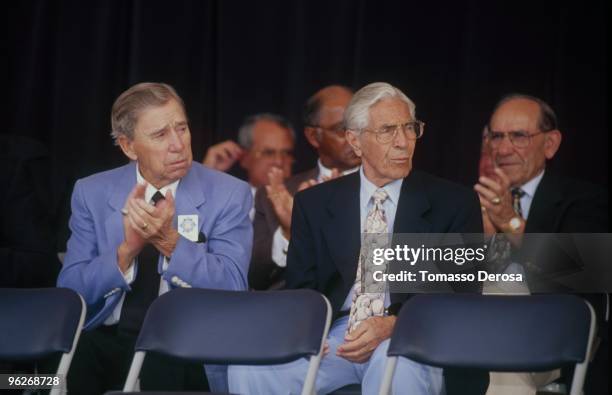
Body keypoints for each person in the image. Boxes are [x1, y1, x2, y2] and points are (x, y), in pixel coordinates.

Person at [228, 82, 485, 394]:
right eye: (388, 130)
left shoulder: (453, 203)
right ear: (355, 140)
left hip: (414, 337)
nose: (403, 142)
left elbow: (460, 297)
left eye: (410, 128)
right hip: (338, 337)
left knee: (393, 369)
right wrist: (305, 332)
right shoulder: (316, 203)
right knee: (249, 369)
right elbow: (301, 290)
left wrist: (394, 326)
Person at [57, 82, 253, 394]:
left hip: (184, 343)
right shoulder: (91, 192)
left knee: (162, 366)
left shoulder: (229, 193)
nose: (178, 143)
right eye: (160, 135)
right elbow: (69, 292)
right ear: (129, 146)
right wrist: (125, 253)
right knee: (55, 373)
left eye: (182, 128)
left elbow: (232, 286)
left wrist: (169, 243)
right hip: (106, 337)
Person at [474, 93, 608, 394]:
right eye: (496, 136)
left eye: (519, 136)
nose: (504, 148)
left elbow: (581, 277)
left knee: (498, 367)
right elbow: (442, 276)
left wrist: (511, 223)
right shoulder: (469, 200)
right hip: (474, 325)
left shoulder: (584, 200)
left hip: (548, 332)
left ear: (550, 144)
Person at [249, 85, 361, 289]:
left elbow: (411, 275)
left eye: (359, 125)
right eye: (341, 129)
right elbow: (254, 277)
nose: (354, 137)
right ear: (313, 136)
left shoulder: (388, 188)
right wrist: (288, 233)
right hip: (290, 314)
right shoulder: (276, 196)